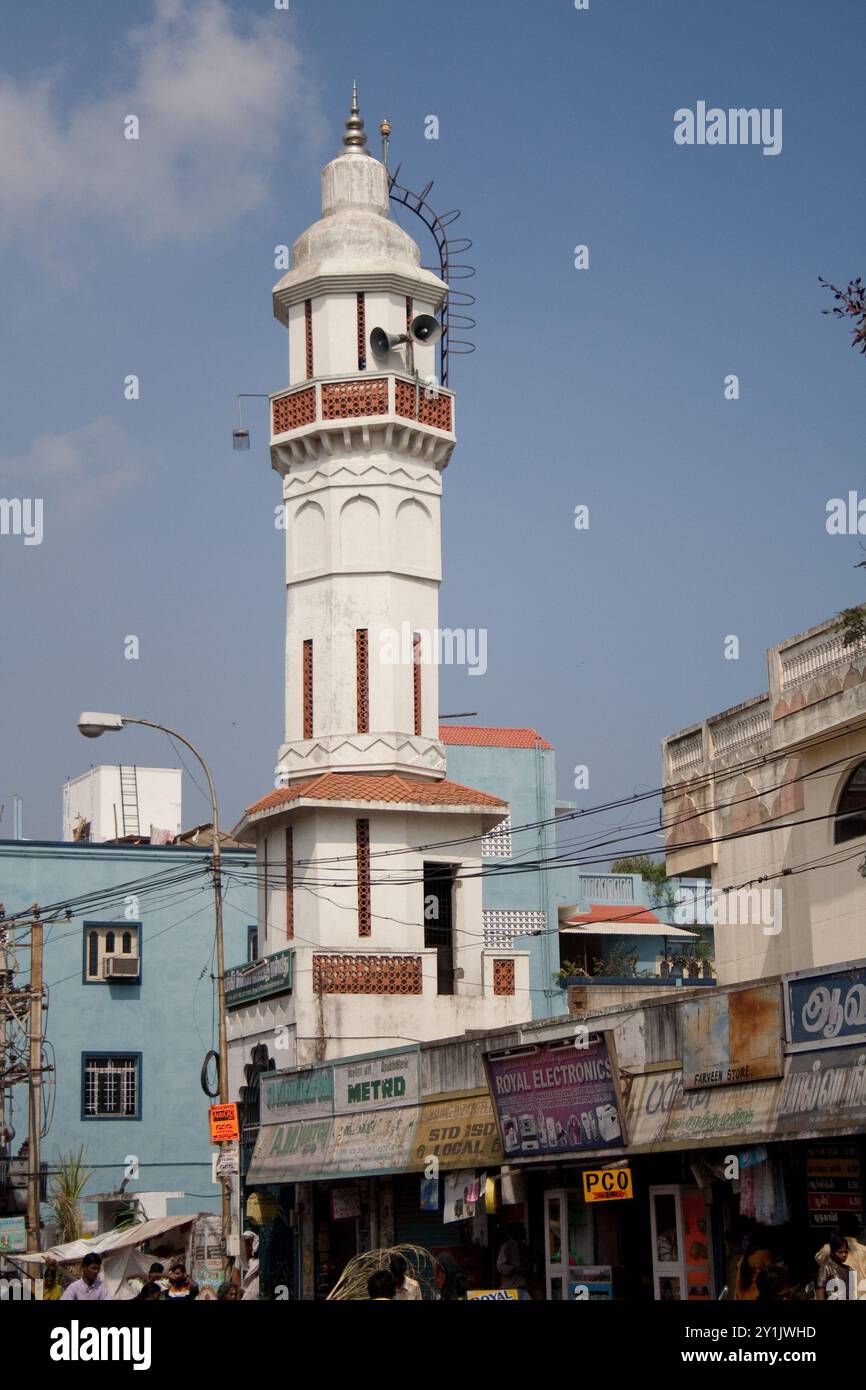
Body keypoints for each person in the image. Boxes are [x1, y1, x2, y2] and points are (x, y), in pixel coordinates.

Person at [734, 1232, 774, 1300]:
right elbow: (773, 1276)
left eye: (746, 1239)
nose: (744, 1242)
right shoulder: (764, 1254)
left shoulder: (742, 1259)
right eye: (744, 1239)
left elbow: (737, 1286)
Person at [816, 1233, 855, 1301]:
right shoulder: (826, 1269)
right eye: (840, 1252)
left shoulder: (850, 1269)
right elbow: (820, 1293)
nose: (844, 1254)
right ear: (832, 1252)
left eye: (846, 1252)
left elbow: (852, 1294)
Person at [496, 1223, 530, 1290]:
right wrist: (515, 1268)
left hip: (523, 1287)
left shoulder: (524, 1247)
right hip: (511, 1287)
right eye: (521, 1230)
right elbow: (500, 1266)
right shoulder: (507, 1246)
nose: (523, 1232)